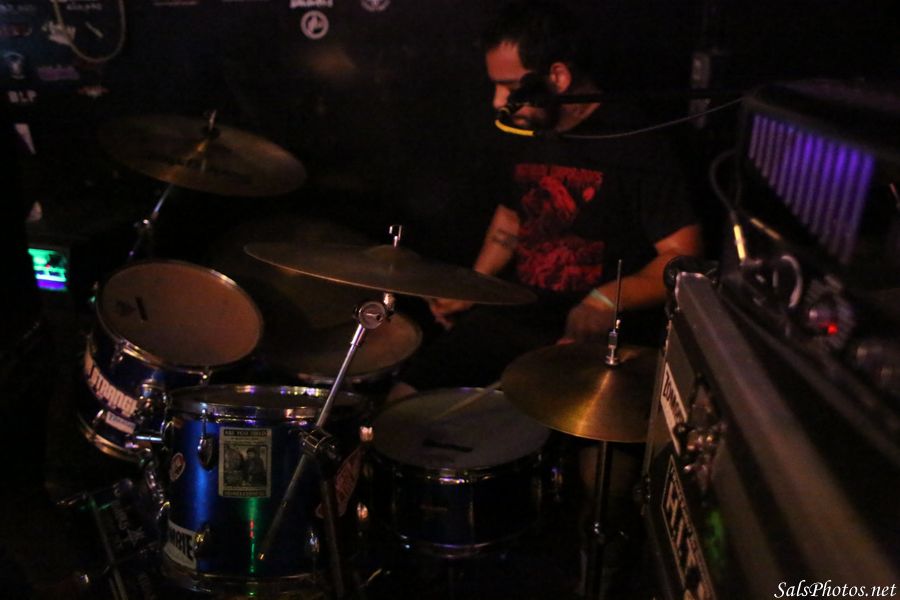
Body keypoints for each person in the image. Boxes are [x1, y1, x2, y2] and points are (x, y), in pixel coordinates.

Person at [385, 0, 704, 594]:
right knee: (400, 401)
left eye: (509, 86)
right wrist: (471, 288)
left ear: (556, 76)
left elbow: (681, 257)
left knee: (604, 480)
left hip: (597, 337)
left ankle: (593, 574)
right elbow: (512, 217)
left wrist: (605, 299)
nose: (497, 101)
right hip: (521, 312)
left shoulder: (638, 140)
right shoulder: (528, 128)